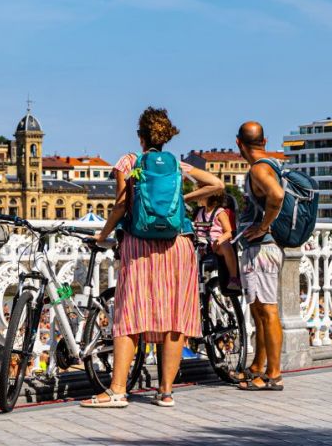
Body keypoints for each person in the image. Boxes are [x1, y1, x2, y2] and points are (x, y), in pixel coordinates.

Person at [81, 107, 224, 408]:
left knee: (130, 316)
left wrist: (103, 233)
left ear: (140, 135)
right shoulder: (175, 165)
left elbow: (121, 206)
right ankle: (166, 392)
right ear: (165, 136)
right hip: (179, 244)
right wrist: (183, 200)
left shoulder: (129, 163)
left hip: (140, 245)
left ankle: (117, 390)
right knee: (174, 318)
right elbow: (217, 185)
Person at [233, 121, 285, 391]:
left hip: (263, 248)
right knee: (259, 309)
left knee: (267, 310)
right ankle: (258, 365)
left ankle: (273, 374)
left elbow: (276, 195)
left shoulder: (259, 169)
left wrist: (263, 226)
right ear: (264, 141)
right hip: (263, 248)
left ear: (238, 143)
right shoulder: (271, 163)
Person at [194, 190, 241, 290]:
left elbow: (229, 232)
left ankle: (234, 279)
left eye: (200, 195)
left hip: (216, 245)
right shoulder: (199, 212)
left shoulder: (220, 213)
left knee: (226, 245)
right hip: (200, 244)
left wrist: (220, 240)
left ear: (209, 198)